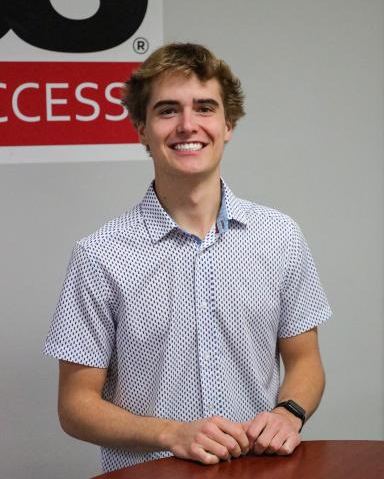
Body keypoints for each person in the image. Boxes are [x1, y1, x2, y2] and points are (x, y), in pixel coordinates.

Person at [44, 42, 332, 473]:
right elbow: (75, 405)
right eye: (166, 110)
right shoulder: (99, 255)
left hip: (256, 471)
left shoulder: (280, 236)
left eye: (204, 107)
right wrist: (171, 433)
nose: (187, 125)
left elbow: (305, 359)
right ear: (141, 128)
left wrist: (288, 411)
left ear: (228, 123)